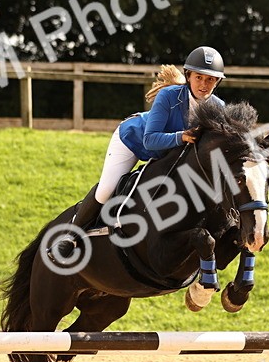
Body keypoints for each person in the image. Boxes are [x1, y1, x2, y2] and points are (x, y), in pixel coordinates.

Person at [52, 46, 227, 260]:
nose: (204, 85)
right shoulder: (169, 96)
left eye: (210, 80)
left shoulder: (219, 108)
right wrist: (180, 136)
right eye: (199, 77)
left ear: (218, 82)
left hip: (170, 155)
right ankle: (71, 236)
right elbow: (150, 140)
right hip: (133, 140)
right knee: (107, 188)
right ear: (188, 76)